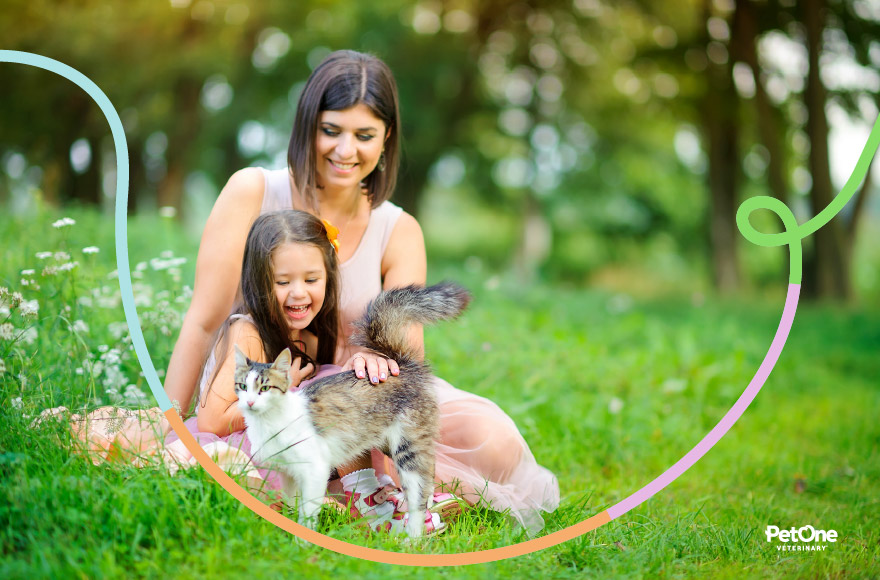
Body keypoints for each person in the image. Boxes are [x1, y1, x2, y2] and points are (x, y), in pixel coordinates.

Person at [162, 50, 559, 534]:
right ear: (308, 125)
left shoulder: (398, 229)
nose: (346, 150)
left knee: (492, 439)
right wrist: (171, 424)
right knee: (251, 450)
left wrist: (376, 358)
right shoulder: (253, 191)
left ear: (386, 138)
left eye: (364, 135)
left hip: (358, 398)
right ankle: (367, 493)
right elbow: (204, 321)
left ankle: (374, 486)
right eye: (332, 130)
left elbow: (408, 356)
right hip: (271, 393)